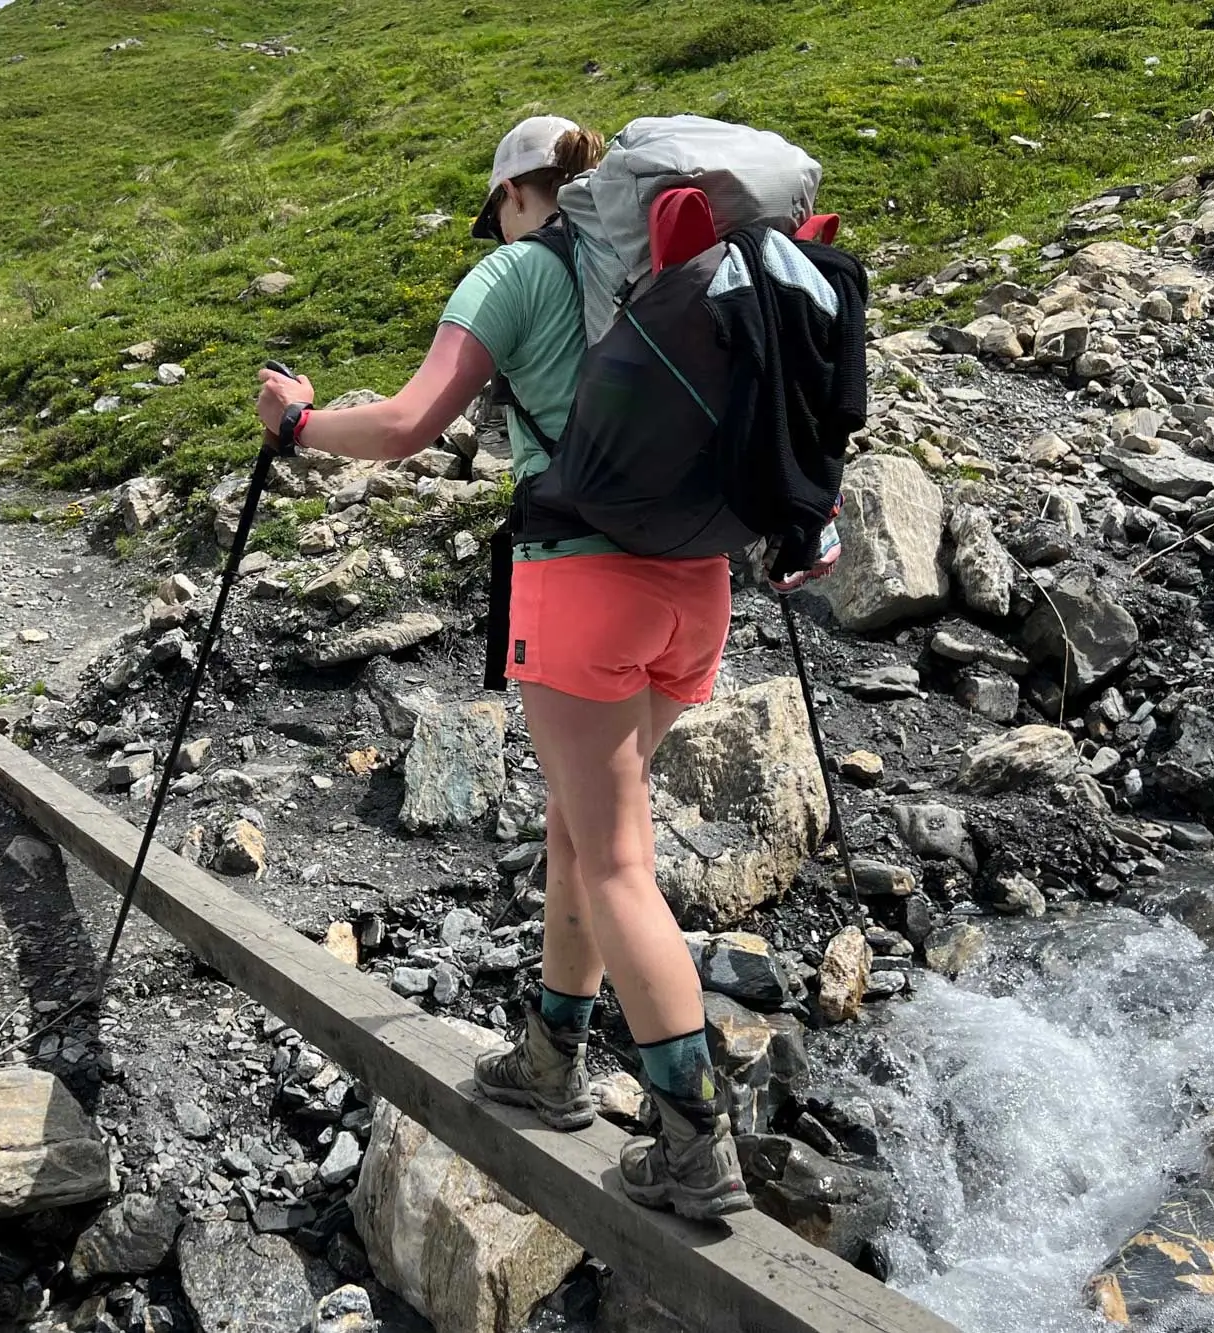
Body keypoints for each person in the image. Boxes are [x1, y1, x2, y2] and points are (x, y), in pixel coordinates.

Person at [255, 117, 766, 1222]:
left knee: (617, 858)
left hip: (580, 584)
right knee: (578, 835)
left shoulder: (514, 272)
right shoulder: (663, 264)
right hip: (696, 586)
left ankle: (692, 1142)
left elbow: (401, 426)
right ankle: (550, 1057)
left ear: (509, 197)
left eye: (496, 207)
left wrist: (296, 424)